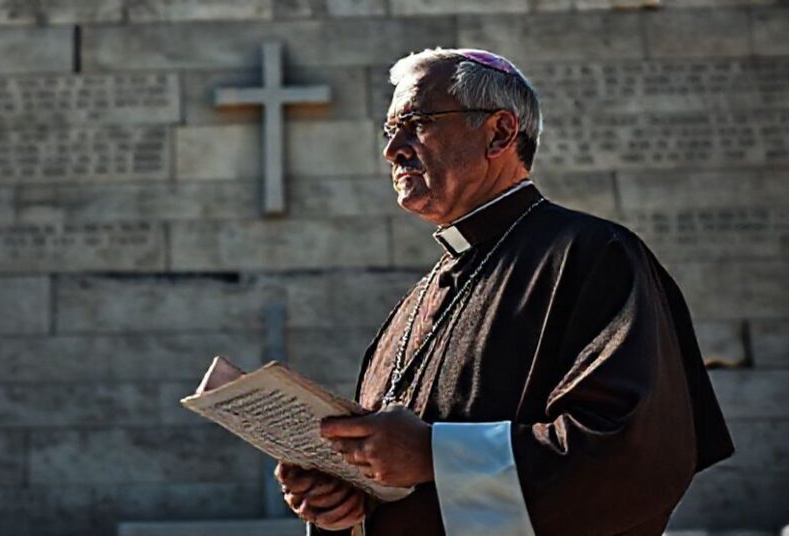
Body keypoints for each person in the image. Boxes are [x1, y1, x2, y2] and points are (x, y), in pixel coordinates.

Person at [274, 48, 734, 536]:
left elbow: (632, 450)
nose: (394, 149)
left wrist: (433, 455)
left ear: (500, 133)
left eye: (417, 122)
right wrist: (346, 495)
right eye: (390, 131)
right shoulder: (419, 298)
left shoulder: (595, 257)